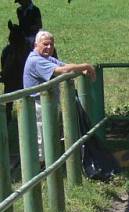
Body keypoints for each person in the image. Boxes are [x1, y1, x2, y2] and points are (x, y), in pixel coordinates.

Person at [22, 30, 95, 159]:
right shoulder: (36, 61)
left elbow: (65, 65)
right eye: (45, 44)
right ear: (36, 45)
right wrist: (86, 66)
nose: (49, 47)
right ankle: (40, 168)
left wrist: (81, 70)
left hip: (47, 104)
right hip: (38, 105)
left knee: (49, 134)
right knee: (42, 137)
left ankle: (49, 165)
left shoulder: (46, 58)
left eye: (51, 44)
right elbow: (62, 70)